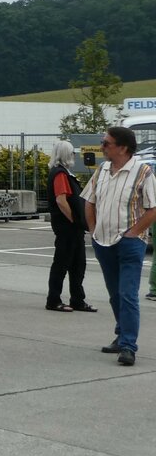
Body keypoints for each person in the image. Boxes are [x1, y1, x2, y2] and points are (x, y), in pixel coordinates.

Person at [82, 126, 156, 366]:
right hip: (103, 242)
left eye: (107, 143)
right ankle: (121, 334)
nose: (102, 147)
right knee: (115, 294)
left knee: (127, 294)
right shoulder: (102, 170)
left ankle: (128, 346)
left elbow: (152, 209)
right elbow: (89, 201)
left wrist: (133, 233)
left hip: (129, 244)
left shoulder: (143, 172)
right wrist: (93, 229)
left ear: (123, 148)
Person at [45, 140, 94, 312]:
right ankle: (53, 299)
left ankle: (78, 299)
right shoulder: (60, 174)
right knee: (62, 264)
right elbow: (61, 200)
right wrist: (74, 219)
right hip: (67, 228)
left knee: (78, 264)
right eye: (72, 152)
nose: (74, 155)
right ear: (66, 154)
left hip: (75, 229)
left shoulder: (66, 173)